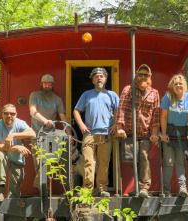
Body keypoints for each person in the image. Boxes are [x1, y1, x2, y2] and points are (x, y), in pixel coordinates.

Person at [73, 67, 119, 197]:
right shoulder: (87, 94)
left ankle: (102, 189)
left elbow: (121, 111)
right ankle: (87, 190)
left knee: (104, 162)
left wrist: (116, 125)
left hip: (106, 134)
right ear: (93, 80)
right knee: (88, 161)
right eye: (96, 76)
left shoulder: (112, 94)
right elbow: (76, 111)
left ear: (105, 79)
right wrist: (81, 124)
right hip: (89, 134)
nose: (99, 78)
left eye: (102, 76)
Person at [116, 64, 160, 198]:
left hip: (145, 133)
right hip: (129, 132)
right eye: (140, 74)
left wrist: (154, 133)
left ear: (149, 77)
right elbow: (121, 108)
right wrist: (119, 128)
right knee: (132, 160)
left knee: (144, 157)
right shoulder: (128, 89)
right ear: (136, 76)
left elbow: (156, 115)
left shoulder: (154, 93)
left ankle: (144, 188)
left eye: (145, 75)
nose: (142, 77)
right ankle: (137, 187)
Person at [29, 74, 71, 189]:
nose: (47, 86)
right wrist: (45, 120)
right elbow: (33, 111)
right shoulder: (35, 95)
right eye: (45, 84)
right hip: (36, 134)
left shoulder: (57, 99)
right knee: (38, 163)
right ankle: (43, 188)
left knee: (49, 160)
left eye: (50, 84)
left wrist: (69, 135)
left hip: (51, 135)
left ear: (52, 85)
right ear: (41, 84)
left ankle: (41, 186)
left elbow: (63, 117)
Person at [160, 74, 188, 197]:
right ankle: (167, 190)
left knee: (180, 161)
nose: (178, 85)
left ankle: (182, 187)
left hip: (182, 134)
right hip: (170, 133)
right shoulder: (168, 97)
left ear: (184, 84)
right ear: (172, 86)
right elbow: (164, 116)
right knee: (169, 162)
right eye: (176, 84)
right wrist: (163, 134)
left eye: (180, 83)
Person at [0, 104, 36, 202]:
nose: (9, 115)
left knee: (14, 193)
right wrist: (16, 147)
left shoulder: (20, 123)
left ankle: (12, 211)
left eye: (12, 113)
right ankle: (0, 189)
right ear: (2, 114)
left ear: (16, 115)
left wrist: (13, 135)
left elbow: (32, 133)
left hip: (17, 160)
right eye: (6, 113)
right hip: (5, 157)